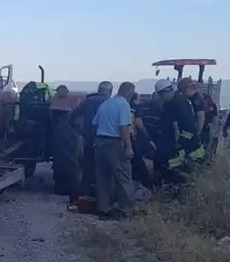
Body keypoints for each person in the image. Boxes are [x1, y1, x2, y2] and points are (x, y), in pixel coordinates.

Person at [91, 82, 135, 219]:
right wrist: (128, 146)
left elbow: (94, 125)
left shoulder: (105, 104)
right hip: (115, 144)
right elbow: (124, 127)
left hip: (100, 142)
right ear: (130, 94)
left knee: (103, 178)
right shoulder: (124, 105)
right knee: (123, 177)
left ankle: (104, 209)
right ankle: (125, 210)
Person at [72, 81, 113, 197]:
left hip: (88, 142)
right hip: (104, 142)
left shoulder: (87, 101)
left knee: (87, 170)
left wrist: (77, 128)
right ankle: (101, 198)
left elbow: (73, 115)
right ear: (109, 92)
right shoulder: (109, 103)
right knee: (103, 172)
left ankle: (84, 196)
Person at [139, 80, 182, 185]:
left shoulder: (173, 106)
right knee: (162, 166)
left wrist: (178, 143)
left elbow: (177, 127)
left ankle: (169, 184)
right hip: (162, 143)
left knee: (170, 166)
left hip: (170, 144)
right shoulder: (167, 106)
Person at [169, 77, 206, 166]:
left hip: (189, 139)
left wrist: (195, 133)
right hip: (193, 140)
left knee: (186, 163)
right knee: (196, 162)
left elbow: (200, 117)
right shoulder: (191, 99)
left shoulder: (193, 100)